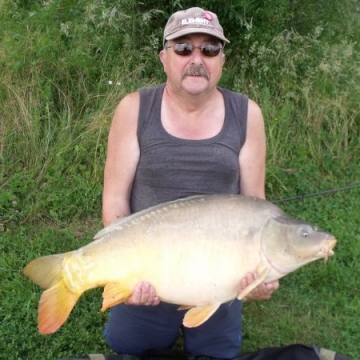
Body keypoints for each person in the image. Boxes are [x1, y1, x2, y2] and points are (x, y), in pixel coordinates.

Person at [102, 7, 279, 360]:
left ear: (222, 60)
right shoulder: (134, 108)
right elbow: (115, 202)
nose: (196, 59)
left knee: (217, 354)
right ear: (164, 57)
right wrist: (128, 277)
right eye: (183, 48)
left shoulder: (248, 114)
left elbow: (255, 205)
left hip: (218, 266)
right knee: (128, 349)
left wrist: (260, 270)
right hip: (149, 260)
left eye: (209, 49)